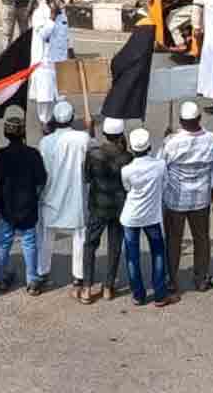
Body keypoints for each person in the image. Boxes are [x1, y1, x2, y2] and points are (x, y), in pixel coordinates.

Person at [159, 100, 213, 292]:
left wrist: (167, 137)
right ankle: (201, 278)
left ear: (180, 120)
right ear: (199, 118)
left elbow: (161, 168)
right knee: (201, 239)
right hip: (201, 199)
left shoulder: (171, 143)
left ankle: (171, 279)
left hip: (175, 201)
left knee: (173, 240)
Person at [0, 109, 47, 295]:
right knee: (29, 242)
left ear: (6, 133)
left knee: (4, 242)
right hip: (27, 206)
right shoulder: (33, 154)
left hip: (6, 208)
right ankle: (32, 280)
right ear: (23, 133)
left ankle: (0, 277)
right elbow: (41, 180)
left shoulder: (0, 155)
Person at [120, 128, 179, 307]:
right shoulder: (159, 165)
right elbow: (166, 183)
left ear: (131, 148)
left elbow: (127, 188)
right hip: (152, 217)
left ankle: (138, 294)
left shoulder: (126, 170)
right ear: (149, 146)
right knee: (158, 253)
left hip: (131, 217)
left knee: (132, 256)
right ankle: (160, 294)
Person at [36, 101, 90, 293]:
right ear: (72, 117)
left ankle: (42, 272)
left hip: (51, 194)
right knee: (79, 236)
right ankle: (79, 275)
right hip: (75, 195)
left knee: (46, 235)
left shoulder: (46, 142)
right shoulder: (83, 139)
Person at [80, 116, 132, 303]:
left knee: (90, 245)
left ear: (105, 134)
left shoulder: (93, 154)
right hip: (119, 207)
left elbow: (87, 178)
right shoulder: (127, 157)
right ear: (120, 135)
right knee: (115, 246)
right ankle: (108, 287)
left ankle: (86, 288)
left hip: (98, 205)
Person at [28, 0, 70, 126]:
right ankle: (44, 121)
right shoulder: (39, 14)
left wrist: (71, 52)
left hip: (60, 61)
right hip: (44, 61)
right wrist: (51, 17)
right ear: (50, 1)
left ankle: (59, 118)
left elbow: (66, 36)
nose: (60, 0)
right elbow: (44, 34)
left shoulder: (63, 14)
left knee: (60, 94)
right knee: (44, 95)